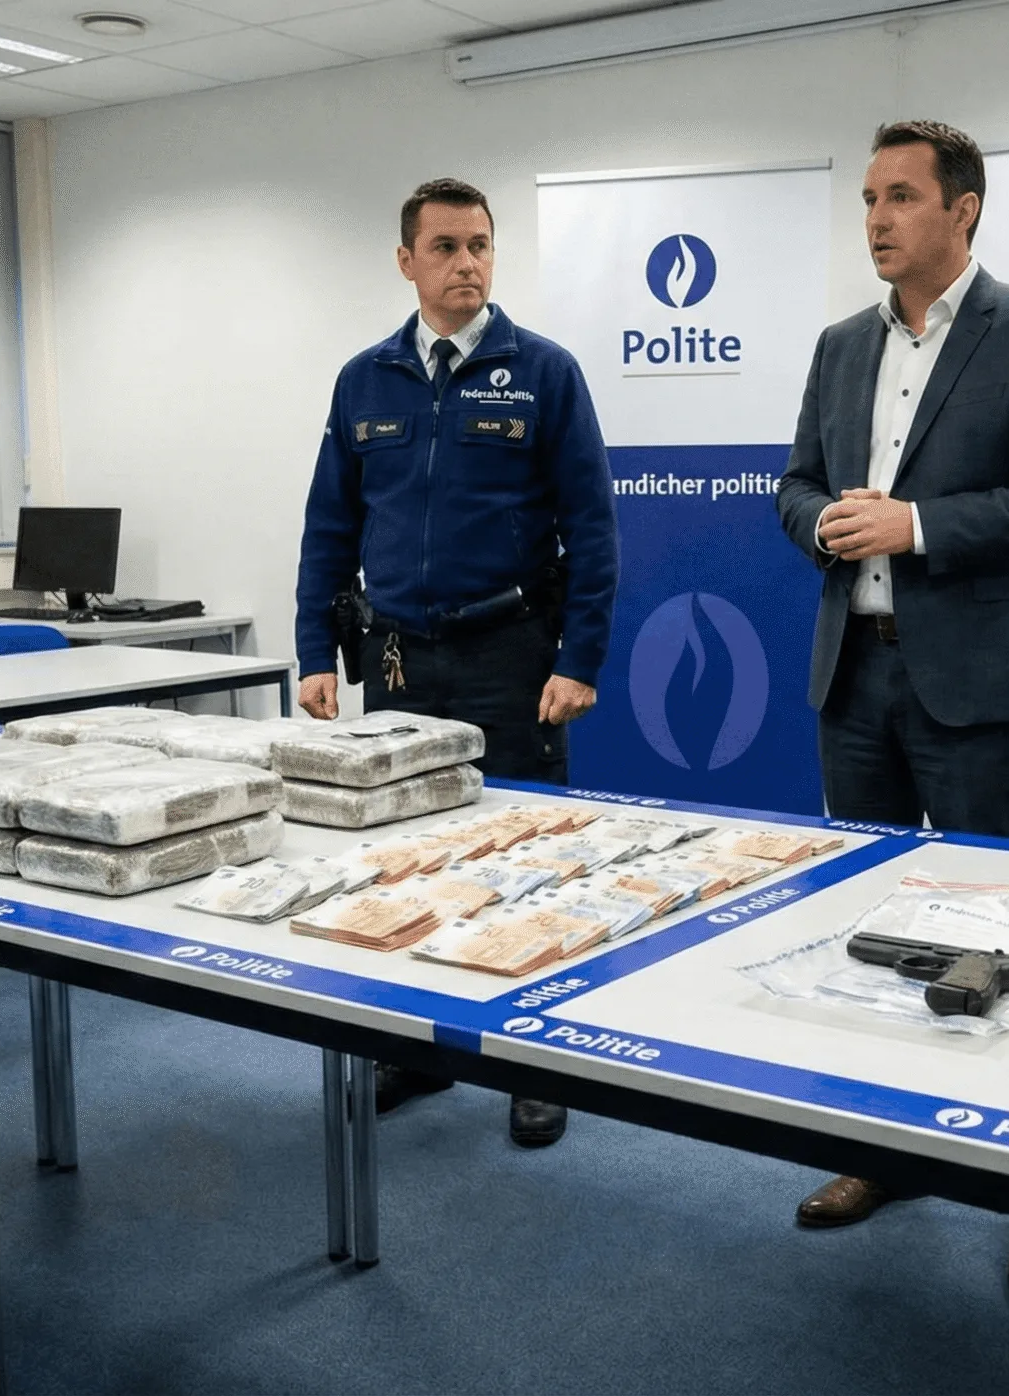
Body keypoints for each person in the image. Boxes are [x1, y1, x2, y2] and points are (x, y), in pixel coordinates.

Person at [773, 120, 1009, 1303]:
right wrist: (821, 522)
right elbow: (795, 483)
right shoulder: (837, 345)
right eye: (868, 197)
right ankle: (885, 1152)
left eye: (901, 196)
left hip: (976, 683)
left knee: (1002, 936)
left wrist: (914, 525)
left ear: (962, 210)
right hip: (853, 675)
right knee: (870, 933)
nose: (876, 217)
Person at [293, 177, 619, 1148]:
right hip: (399, 659)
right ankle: (417, 1049)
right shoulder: (365, 380)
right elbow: (329, 525)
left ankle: (533, 1063)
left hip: (511, 653)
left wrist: (580, 658)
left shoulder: (544, 372)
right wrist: (315, 651)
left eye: (479, 245)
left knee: (531, 857)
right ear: (407, 261)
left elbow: (592, 530)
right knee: (405, 860)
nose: (466, 263)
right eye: (445, 247)